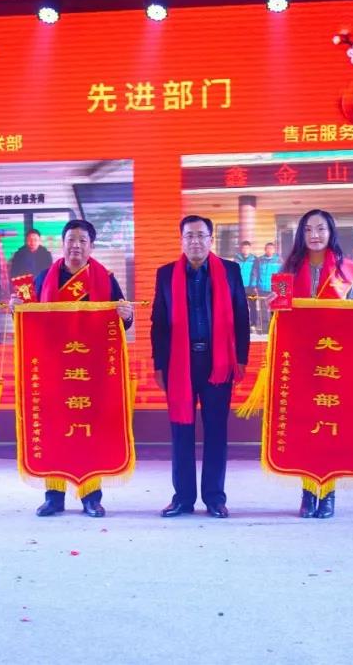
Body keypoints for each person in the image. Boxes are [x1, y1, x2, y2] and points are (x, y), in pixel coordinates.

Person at [26, 219, 134, 518]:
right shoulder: (43, 279)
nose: (76, 245)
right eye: (71, 240)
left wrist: (126, 315)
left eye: (82, 240)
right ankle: (54, 496)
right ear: (62, 244)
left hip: (90, 369)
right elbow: (30, 322)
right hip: (53, 368)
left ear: (91, 246)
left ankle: (91, 497)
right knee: (54, 428)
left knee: (90, 430)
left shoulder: (105, 280)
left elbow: (121, 323)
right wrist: (16, 310)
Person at [151, 215, 249, 519]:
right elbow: (158, 323)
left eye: (201, 235)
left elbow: (242, 316)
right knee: (181, 430)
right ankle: (182, 498)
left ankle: (214, 498)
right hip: (179, 364)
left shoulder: (230, 271)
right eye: (189, 236)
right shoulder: (166, 274)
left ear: (211, 239)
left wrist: (241, 358)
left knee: (216, 430)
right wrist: (159, 364)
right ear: (181, 240)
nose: (195, 241)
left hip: (217, 362)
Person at [275, 209, 353, 518]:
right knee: (304, 426)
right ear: (301, 235)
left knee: (330, 426)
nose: (314, 235)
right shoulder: (287, 270)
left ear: (331, 232)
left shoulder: (348, 270)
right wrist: (274, 305)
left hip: (334, 361)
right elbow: (279, 315)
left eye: (321, 229)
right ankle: (307, 492)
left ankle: (328, 493)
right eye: (308, 229)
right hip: (301, 359)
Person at [253, 241, 282, 334]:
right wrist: (254, 285)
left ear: (274, 250)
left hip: (274, 289)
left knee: (274, 309)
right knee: (263, 309)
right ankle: (265, 329)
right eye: (267, 248)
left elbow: (282, 274)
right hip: (262, 288)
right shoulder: (259, 260)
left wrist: (280, 289)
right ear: (265, 250)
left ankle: (273, 328)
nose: (269, 250)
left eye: (271, 248)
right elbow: (255, 273)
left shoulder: (279, 260)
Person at [233, 241, 258, 335]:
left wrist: (254, 285)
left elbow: (256, 273)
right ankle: (241, 324)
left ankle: (253, 325)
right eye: (244, 248)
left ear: (250, 249)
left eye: (247, 248)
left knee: (253, 306)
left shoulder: (254, 259)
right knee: (240, 306)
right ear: (241, 249)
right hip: (240, 287)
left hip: (251, 287)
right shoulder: (236, 258)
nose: (245, 250)